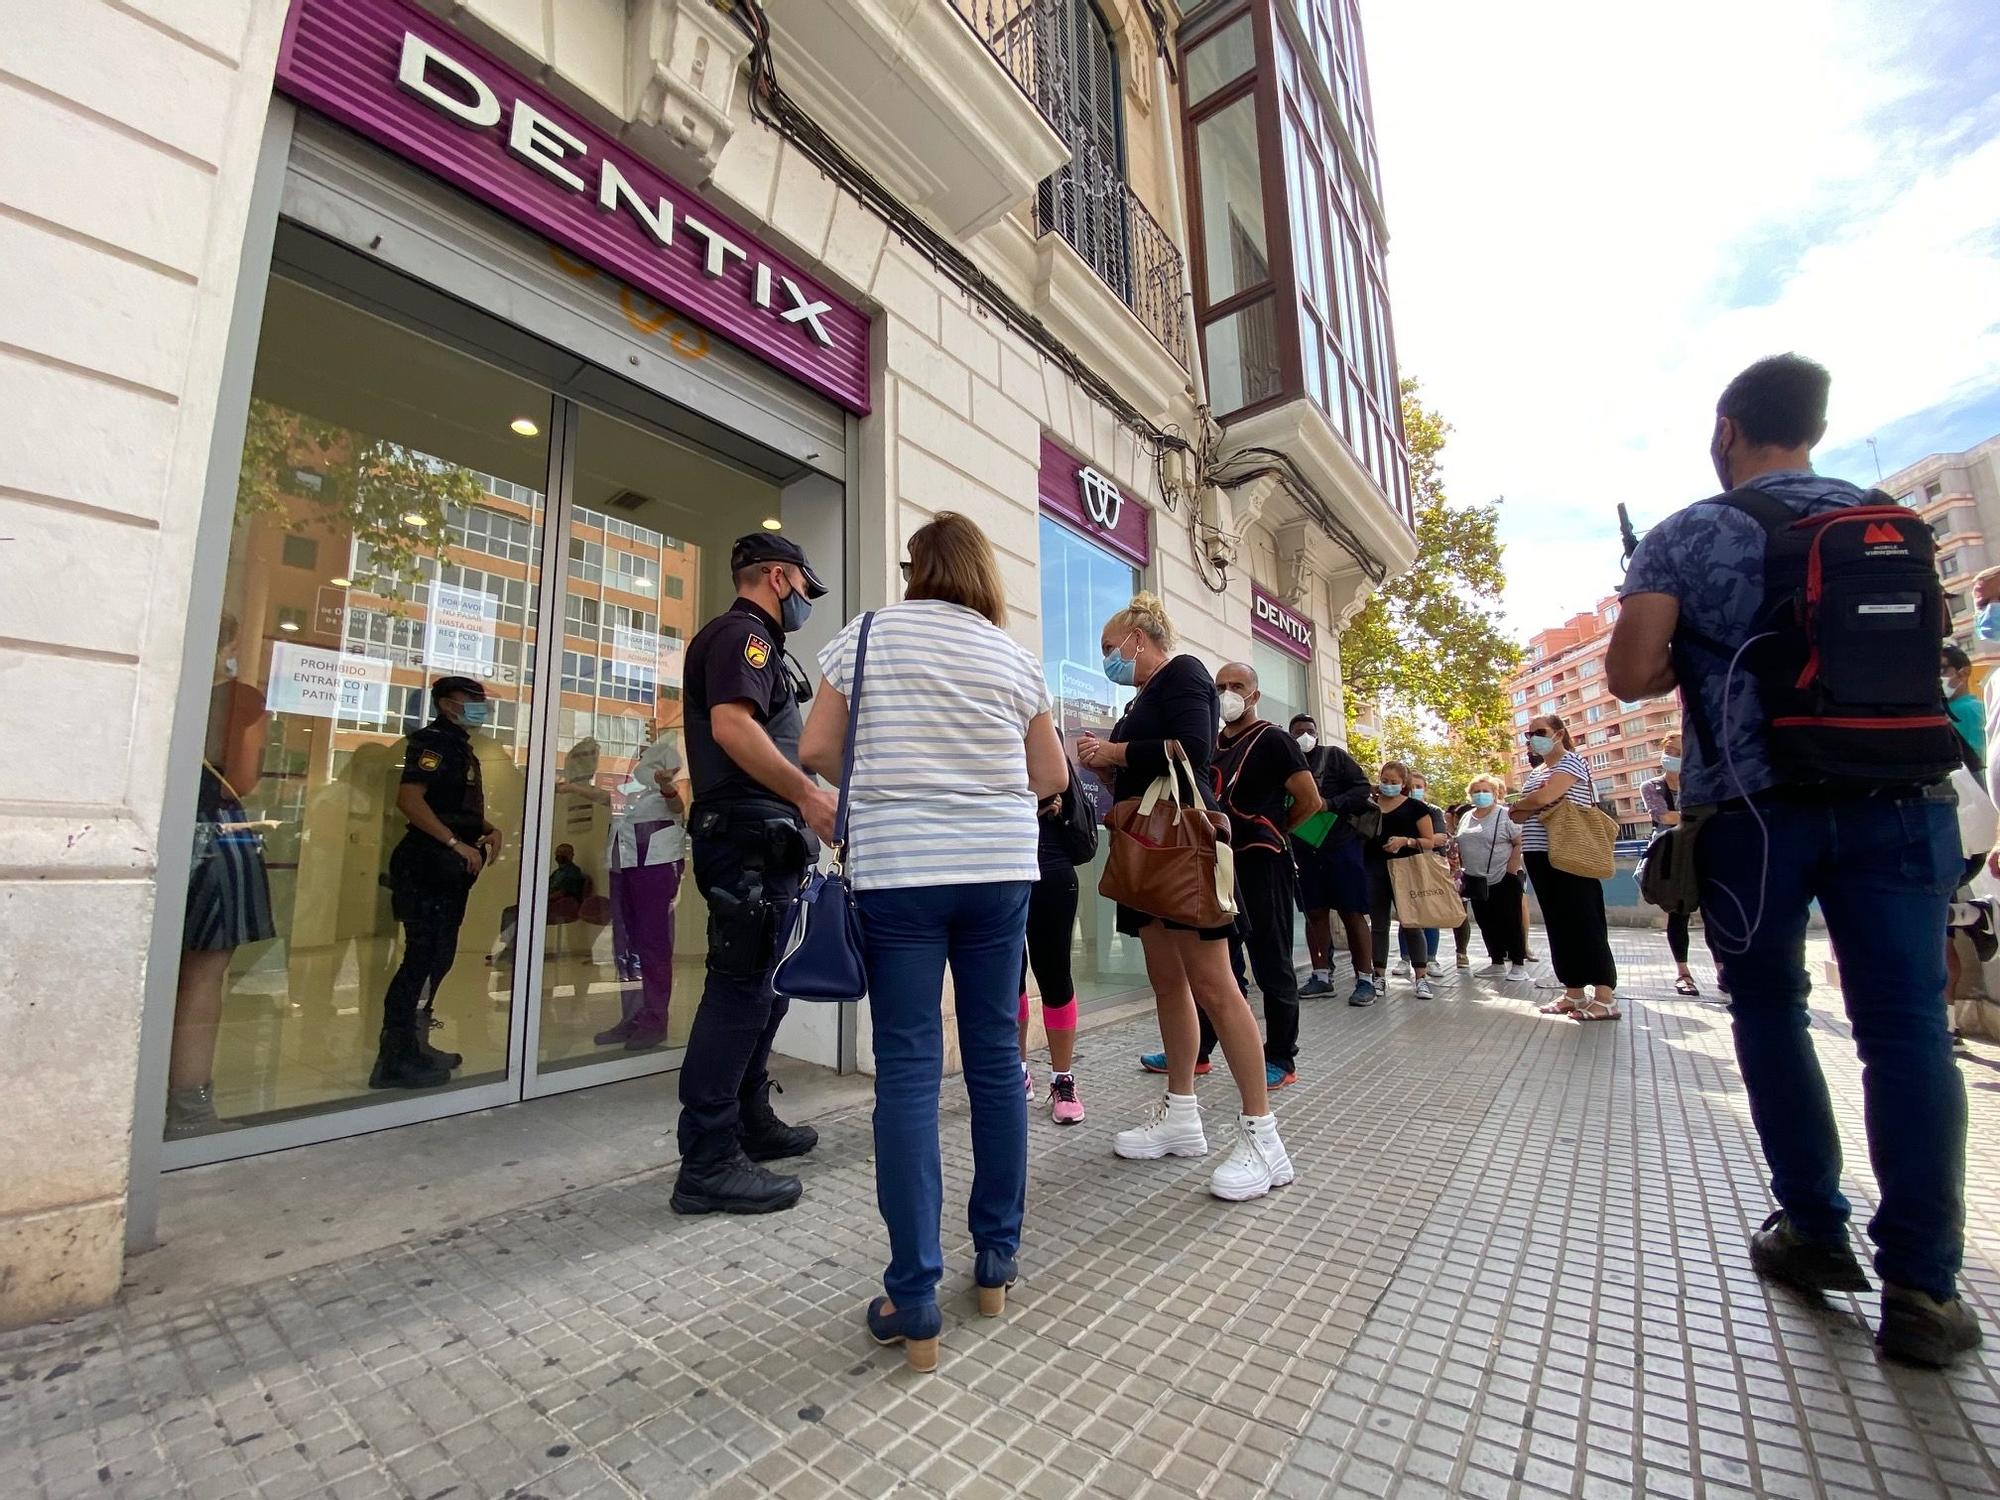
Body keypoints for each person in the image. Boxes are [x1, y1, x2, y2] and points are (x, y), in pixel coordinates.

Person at [1608, 352, 1978, 1366]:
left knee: (1768, 1009)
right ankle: (1921, 1286)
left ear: (1726, 427)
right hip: (1900, 800)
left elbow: (1631, 673)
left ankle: (1812, 1227)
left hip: (1756, 813)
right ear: (1811, 424)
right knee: (1905, 1031)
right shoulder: (1887, 523)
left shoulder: (1688, 533)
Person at [800, 512, 1067, 1372]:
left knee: (910, 1067)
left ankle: (914, 1298)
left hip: (901, 872)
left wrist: (891, 771)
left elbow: (816, 749)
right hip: (997, 870)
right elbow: (1052, 777)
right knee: (995, 1057)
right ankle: (996, 1259)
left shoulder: (866, 635)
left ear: (915, 568)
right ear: (983, 572)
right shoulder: (1013, 656)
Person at [1076, 594, 1295, 1200]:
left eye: (1110, 647)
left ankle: (1264, 1138)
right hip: (1150, 850)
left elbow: (1191, 751)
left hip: (1185, 850)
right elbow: (1148, 768)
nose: (1108, 659)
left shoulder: (1186, 673)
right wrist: (1104, 763)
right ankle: (1181, 1114)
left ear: (1139, 640)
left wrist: (1115, 751)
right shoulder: (1139, 698)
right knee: (1169, 984)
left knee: (1216, 987)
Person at [670, 534, 836, 1217]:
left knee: (766, 991)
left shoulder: (759, 643)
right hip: (745, 837)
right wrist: (805, 795)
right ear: (777, 575)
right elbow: (734, 730)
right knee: (740, 991)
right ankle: (707, 1160)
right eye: (803, 585)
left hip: (764, 841)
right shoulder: (744, 638)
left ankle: (747, 1119)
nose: (805, 600)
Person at [1146, 662, 1322, 1089]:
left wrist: (1276, 832)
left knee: (1271, 959)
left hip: (1261, 863)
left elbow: (1310, 801)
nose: (1228, 693)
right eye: (1221, 686)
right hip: (1217, 861)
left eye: (1237, 686)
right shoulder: (1210, 743)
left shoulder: (1275, 740)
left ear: (1254, 695)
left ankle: (1280, 1055)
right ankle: (1199, 1051)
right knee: (1217, 966)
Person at [169, 614, 278, 1138]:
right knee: (203, 973)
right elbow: (241, 777)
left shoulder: (160, 686)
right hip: (214, 832)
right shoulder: (241, 699)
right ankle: (188, 1110)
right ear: (228, 642)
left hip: (163, 825)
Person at [374, 676, 503, 1091]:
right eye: (474, 701)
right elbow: (411, 800)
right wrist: (452, 842)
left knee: (439, 955)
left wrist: (485, 828)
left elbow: (449, 803)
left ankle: (418, 1042)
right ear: (448, 705)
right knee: (421, 957)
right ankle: (394, 1057)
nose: (482, 707)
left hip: (451, 863)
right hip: (427, 862)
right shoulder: (431, 742)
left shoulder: (460, 746)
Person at [1508, 713, 1619, 1020]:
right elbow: (1518, 813)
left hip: (1572, 852)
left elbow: (1544, 796)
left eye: (1539, 732)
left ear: (1558, 733)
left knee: (1585, 919)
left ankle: (1605, 995)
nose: (1533, 739)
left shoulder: (1571, 762)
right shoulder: (1538, 771)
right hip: (1539, 855)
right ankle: (1573, 991)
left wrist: (1528, 803)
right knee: (1559, 923)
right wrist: (1529, 804)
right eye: (1528, 735)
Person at [598, 730, 689, 1050]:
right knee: (625, 944)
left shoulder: (672, 765)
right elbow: (612, 801)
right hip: (622, 860)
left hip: (656, 861)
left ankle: (654, 1019)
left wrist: (666, 785)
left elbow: (679, 807)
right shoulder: (629, 778)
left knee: (653, 943)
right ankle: (632, 1016)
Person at [1289, 715, 1379, 1006]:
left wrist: (1330, 804)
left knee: (1352, 913)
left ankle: (1365, 979)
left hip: (1342, 846)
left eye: (1309, 731)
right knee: (1314, 913)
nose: (1305, 736)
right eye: (1298, 732)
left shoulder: (1335, 757)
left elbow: (1362, 788)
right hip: (1304, 848)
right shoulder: (1285, 763)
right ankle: (1321, 976)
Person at [1020, 784, 1085, 1124]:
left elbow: (1054, 782)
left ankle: (1063, 1078)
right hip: (999, 867)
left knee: (1055, 975)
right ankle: (1018, 1072)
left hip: (1051, 869)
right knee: (1008, 979)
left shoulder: (1041, 731)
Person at [1364, 762, 1443, 998]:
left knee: (1411, 923)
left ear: (1403, 783)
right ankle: (1378, 976)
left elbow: (1430, 840)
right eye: (1384, 781)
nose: (1388, 785)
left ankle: (1420, 977)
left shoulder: (1415, 808)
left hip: (1406, 869)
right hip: (1374, 869)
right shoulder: (1370, 807)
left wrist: (1405, 841)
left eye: (1394, 782)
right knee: (1379, 925)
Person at [1640, 734, 1700, 997]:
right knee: (1678, 913)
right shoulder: (1652, 786)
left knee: (1716, 912)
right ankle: (1683, 973)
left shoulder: (1698, 782)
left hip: (1702, 850)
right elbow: (1663, 815)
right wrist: (1696, 814)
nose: (1671, 756)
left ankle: (1724, 970)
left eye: (1678, 752)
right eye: (1668, 750)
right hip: (1672, 856)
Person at [1456, 775, 1527, 979]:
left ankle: (1518, 964)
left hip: (1502, 877)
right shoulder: (1467, 816)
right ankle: (1496, 961)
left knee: (1510, 921)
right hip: (1475, 878)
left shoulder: (1504, 815)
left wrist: (1511, 869)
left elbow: (1519, 842)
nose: (1480, 795)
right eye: (1476, 791)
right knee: (1485, 921)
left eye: (1485, 791)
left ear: (1496, 793)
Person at [1943, 644, 1984, 770]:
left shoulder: (1968, 709)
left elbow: (1978, 761)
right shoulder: (1980, 707)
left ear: (1964, 672)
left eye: (1941, 669)